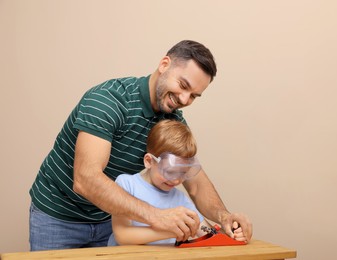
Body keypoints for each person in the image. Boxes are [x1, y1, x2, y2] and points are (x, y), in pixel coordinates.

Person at [29, 40, 252, 251]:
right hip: (58, 215)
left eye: (194, 95)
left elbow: (195, 183)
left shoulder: (173, 120)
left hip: (112, 217)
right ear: (164, 65)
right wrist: (157, 217)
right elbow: (86, 180)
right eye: (183, 85)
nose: (184, 100)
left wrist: (224, 218)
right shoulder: (108, 101)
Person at [107, 119, 247, 245]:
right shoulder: (126, 185)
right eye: (170, 171)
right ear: (149, 161)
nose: (177, 180)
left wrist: (233, 233)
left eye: (183, 173)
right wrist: (172, 230)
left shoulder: (180, 200)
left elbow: (208, 234)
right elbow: (123, 236)